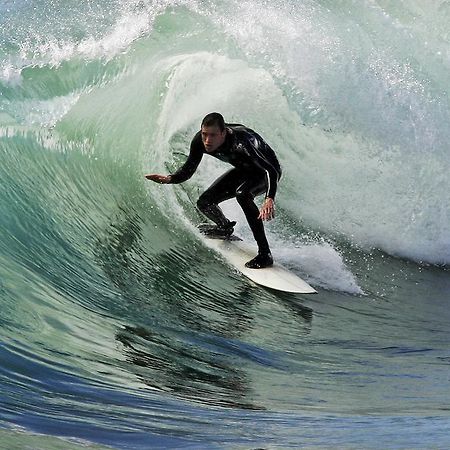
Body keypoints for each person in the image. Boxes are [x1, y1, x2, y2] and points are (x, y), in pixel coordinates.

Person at [145, 112, 282, 269]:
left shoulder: (241, 144)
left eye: (213, 135)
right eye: (204, 134)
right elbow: (188, 171)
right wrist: (169, 179)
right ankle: (224, 227)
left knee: (242, 195)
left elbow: (270, 171)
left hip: (267, 171)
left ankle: (265, 254)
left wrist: (269, 198)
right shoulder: (199, 141)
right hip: (244, 169)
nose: (207, 140)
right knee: (205, 202)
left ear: (223, 133)